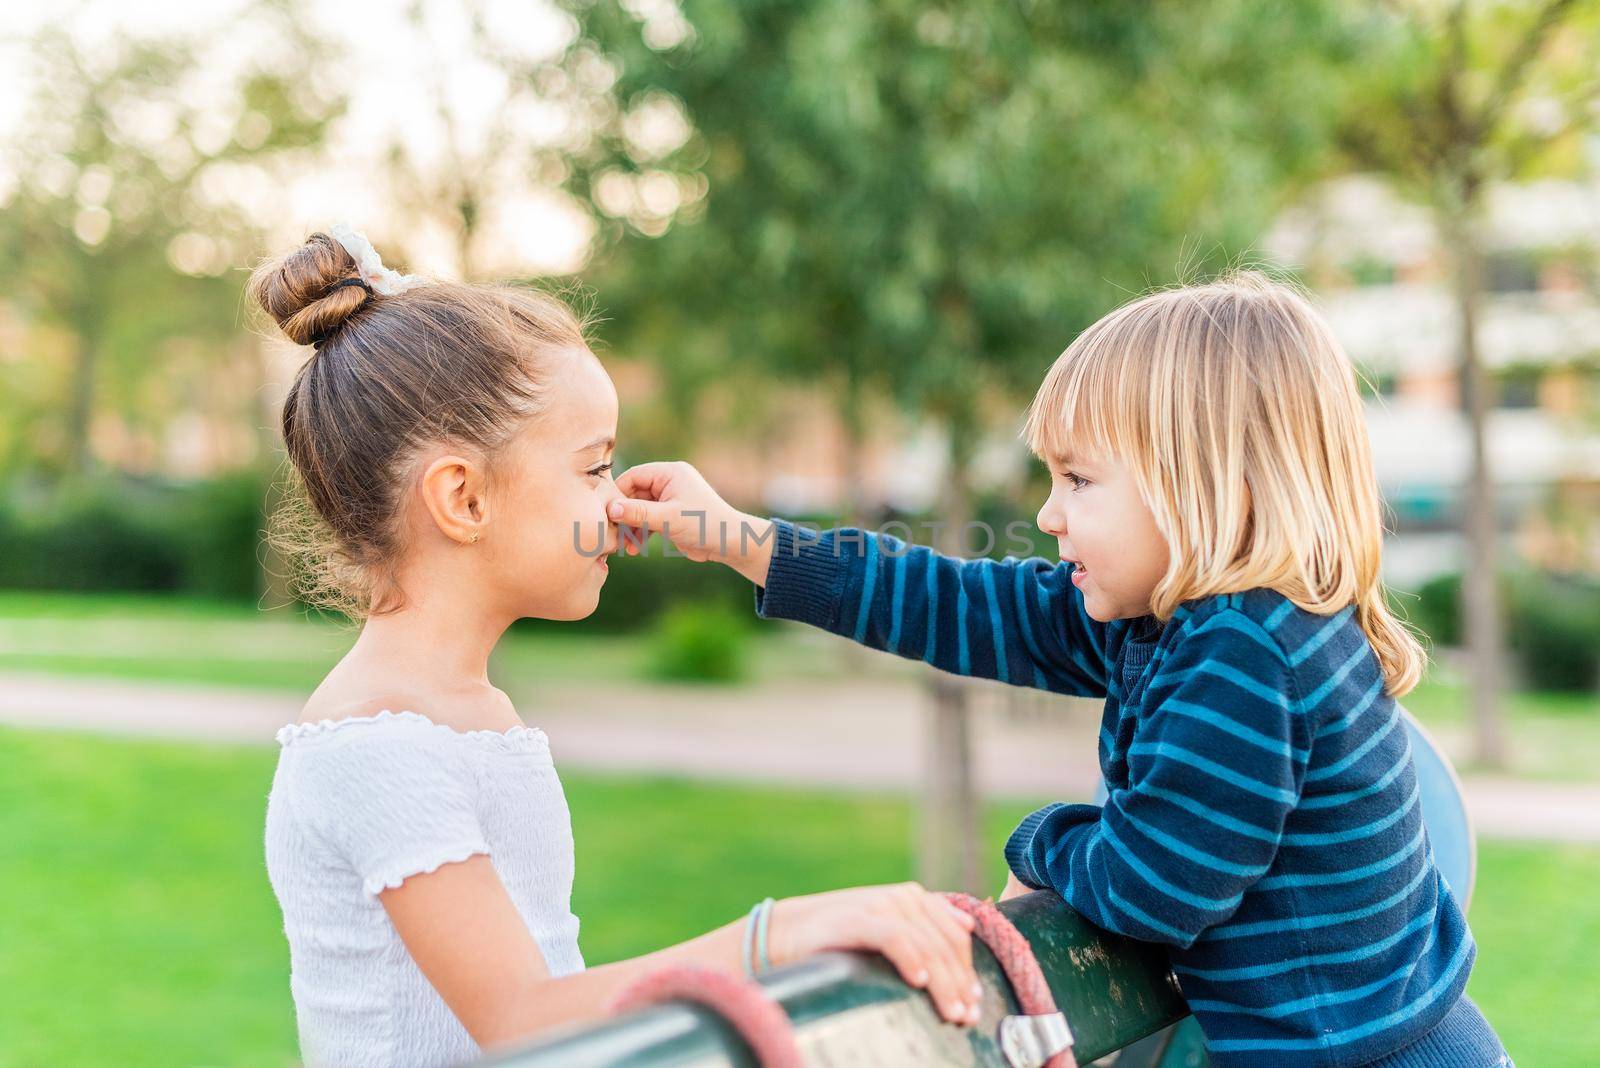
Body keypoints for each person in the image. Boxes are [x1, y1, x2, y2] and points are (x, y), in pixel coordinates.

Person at [605, 273, 1513, 1067]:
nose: (1047, 514)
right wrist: (739, 539)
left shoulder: (1244, 651)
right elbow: (950, 601)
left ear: (1204, 486)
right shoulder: (1171, 618)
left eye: (1079, 481)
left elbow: (1154, 888)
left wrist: (1041, 843)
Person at [254, 227, 982, 1068]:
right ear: (463, 499)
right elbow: (527, 1019)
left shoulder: (470, 713)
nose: (618, 505)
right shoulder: (375, 744)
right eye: (594, 469)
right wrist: (784, 932)